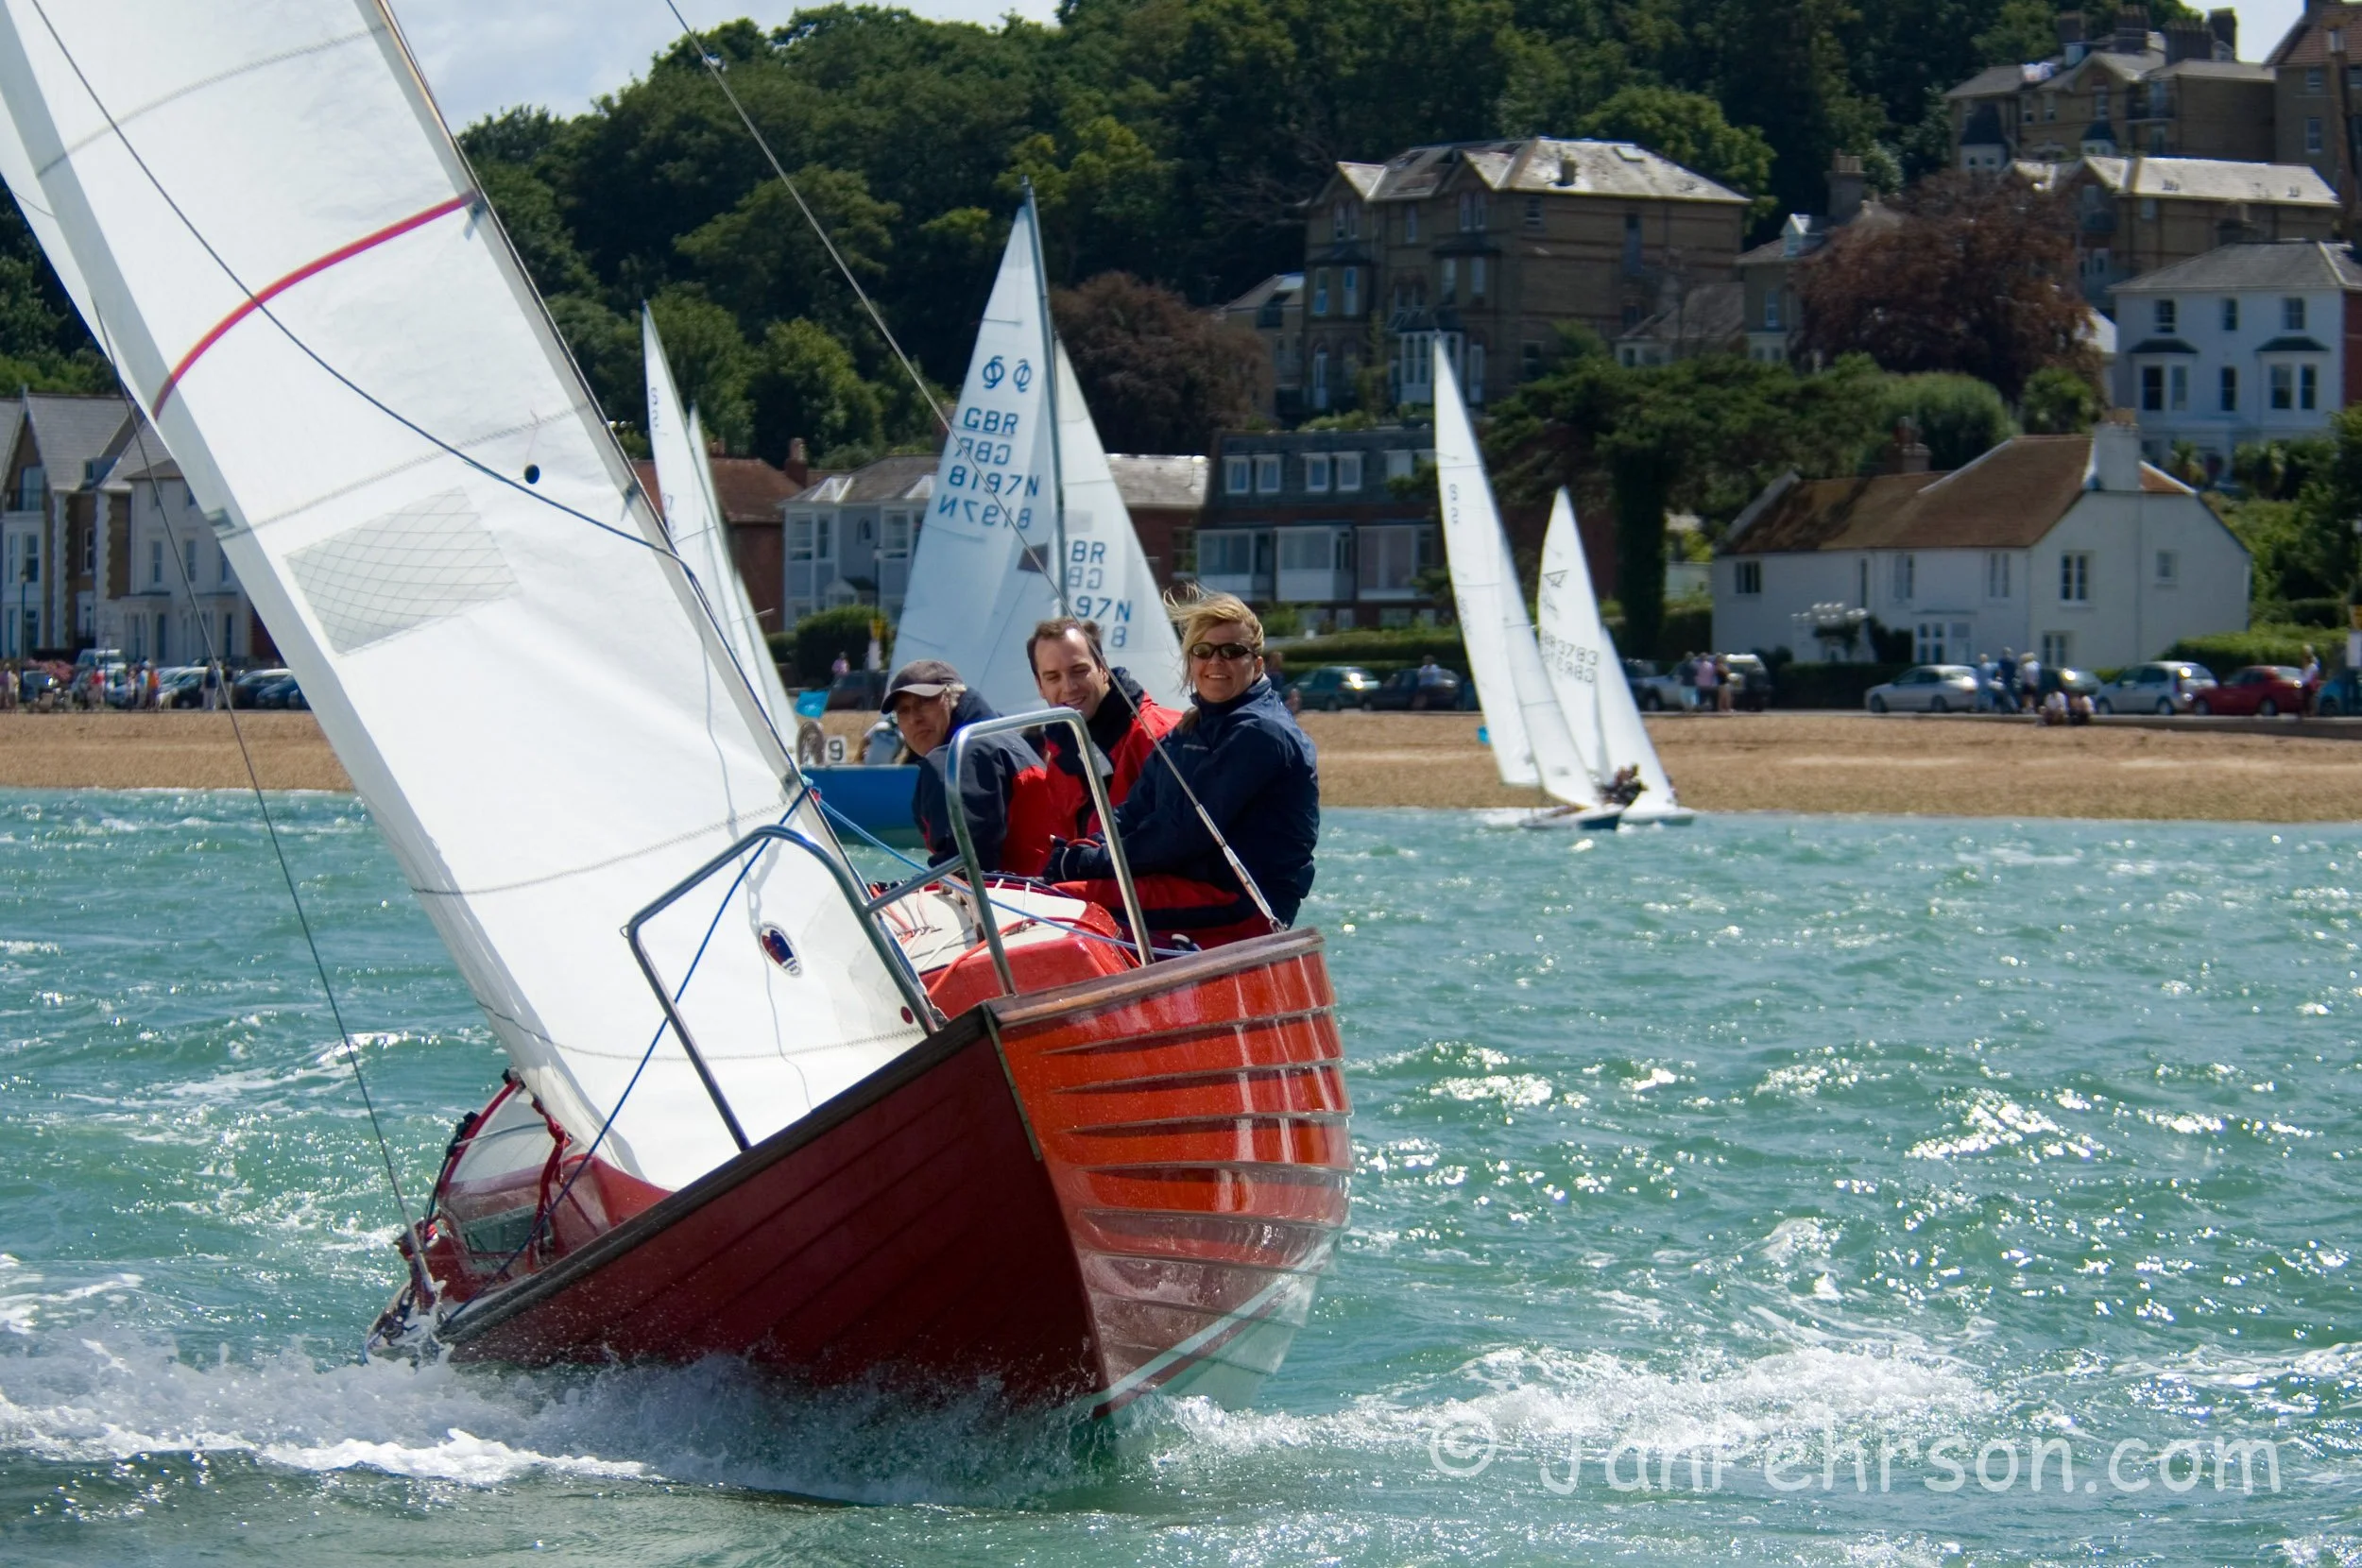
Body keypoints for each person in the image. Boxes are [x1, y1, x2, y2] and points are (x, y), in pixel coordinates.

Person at [1045, 594, 1319, 947]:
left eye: (1231, 651)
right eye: (1203, 652)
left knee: (1061, 904)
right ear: (1191, 662)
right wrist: (1085, 849)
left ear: (1258, 663)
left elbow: (1184, 831)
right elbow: (1134, 810)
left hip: (1243, 903)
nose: (1215, 661)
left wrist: (1094, 863)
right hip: (1185, 883)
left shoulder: (1261, 733)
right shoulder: (1190, 729)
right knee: (1045, 891)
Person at [885, 658, 1057, 874]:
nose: (914, 718)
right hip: (1048, 889)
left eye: (924, 702)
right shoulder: (1000, 737)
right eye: (903, 710)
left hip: (1024, 897)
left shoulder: (959, 759)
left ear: (953, 698)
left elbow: (967, 866)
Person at [1024, 616, 1182, 849]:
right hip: (1094, 878)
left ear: (1103, 669)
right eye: (1053, 677)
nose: (1068, 687)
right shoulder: (1061, 752)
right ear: (1040, 686)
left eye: (1079, 671)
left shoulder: (1163, 737)